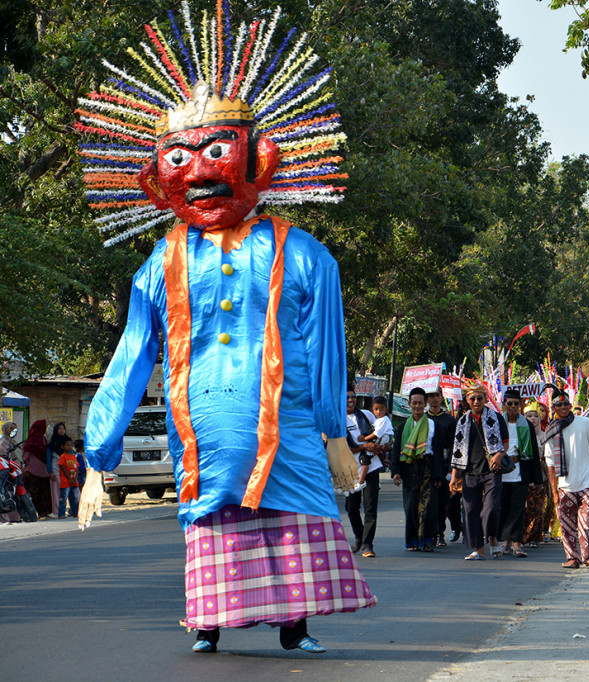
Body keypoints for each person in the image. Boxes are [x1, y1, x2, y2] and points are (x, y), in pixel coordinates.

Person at [77, 6, 374, 655]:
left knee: (292, 524)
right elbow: (131, 358)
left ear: (259, 160)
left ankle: (295, 627)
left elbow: (327, 348)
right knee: (211, 522)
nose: (200, 173)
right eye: (180, 159)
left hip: (289, 428)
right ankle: (208, 623)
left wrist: (334, 433)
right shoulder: (162, 265)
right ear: (157, 180)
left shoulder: (303, 255)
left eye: (217, 152)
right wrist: (99, 457)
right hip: (203, 434)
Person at [544, 386, 589, 569]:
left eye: (566, 404)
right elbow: (550, 463)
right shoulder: (551, 430)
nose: (563, 407)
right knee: (567, 525)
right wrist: (554, 491)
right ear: (553, 408)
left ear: (570, 405)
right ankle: (572, 558)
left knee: (588, 521)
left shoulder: (585, 423)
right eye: (558, 405)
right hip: (564, 485)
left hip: (586, 481)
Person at [451, 382, 508, 560]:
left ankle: (492, 538)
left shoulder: (496, 418)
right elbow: (457, 450)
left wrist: (498, 455)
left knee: (491, 509)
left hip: (492, 471)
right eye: (472, 398)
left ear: (485, 399)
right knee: (470, 511)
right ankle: (479, 548)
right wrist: (454, 476)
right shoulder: (462, 421)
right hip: (469, 472)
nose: (476, 401)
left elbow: (505, 443)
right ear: (467, 400)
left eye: (479, 398)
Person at [391, 387, 443, 551]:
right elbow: (396, 450)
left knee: (428, 506)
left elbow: (438, 452)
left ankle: (427, 541)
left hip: (428, 467)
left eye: (420, 403)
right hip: (409, 468)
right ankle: (412, 541)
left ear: (425, 404)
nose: (417, 406)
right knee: (411, 505)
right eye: (414, 403)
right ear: (409, 404)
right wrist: (396, 472)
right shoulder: (402, 427)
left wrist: (438, 475)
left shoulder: (434, 425)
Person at [500, 389, 542, 558]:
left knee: (518, 508)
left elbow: (534, 452)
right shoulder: (498, 423)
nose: (513, 406)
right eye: (509, 403)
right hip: (501, 472)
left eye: (516, 403)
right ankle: (505, 541)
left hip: (520, 471)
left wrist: (536, 478)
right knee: (503, 506)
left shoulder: (527, 425)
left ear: (520, 405)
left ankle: (517, 542)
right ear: (504, 404)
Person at [346, 389, 384, 558]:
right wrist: (364, 446)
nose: (350, 400)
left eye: (353, 396)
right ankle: (359, 536)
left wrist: (380, 446)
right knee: (351, 507)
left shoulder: (367, 415)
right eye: (346, 397)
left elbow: (381, 431)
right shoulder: (337, 419)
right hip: (350, 469)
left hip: (371, 467)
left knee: (370, 508)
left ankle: (368, 544)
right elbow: (341, 446)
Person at [425, 388, 457, 546]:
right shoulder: (423, 419)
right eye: (431, 396)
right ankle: (430, 533)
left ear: (441, 397)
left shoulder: (449, 420)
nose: (434, 399)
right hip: (427, 464)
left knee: (444, 501)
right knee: (429, 501)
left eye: (437, 395)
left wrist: (452, 468)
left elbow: (454, 445)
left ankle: (440, 532)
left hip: (444, 463)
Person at [521, 401, 550, 547]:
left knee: (538, 507)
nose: (533, 419)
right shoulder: (521, 434)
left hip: (540, 474)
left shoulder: (545, 436)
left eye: (535, 415)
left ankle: (534, 536)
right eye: (529, 416)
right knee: (523, 507)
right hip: (523, 474)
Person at [354, 397, 393, 493]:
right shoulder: (376, 420)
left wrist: (364, 439)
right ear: (372, 410)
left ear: (386, 410)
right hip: (379, 441)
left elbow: (376, 434)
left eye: (381, 409)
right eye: (376, 409)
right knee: (370, 458)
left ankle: (361, 481)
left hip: (383, 440)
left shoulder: (384, 420)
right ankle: (375, 482)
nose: (379, 412)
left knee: (365, 460)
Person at [21, 420, 52, 520]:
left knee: (33, 493)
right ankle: (44, 512)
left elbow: (25, 456)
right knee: (44, 493)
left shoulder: (30, 440)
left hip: (32, 471)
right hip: (44, 472)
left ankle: (34, 511)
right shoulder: (44, 440)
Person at [57, 439, 81, 519]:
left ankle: (75, 513)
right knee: (63, 498)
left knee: (75, 498)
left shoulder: (73, 456)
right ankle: (61, 514)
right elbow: (63, 468)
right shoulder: (63, 456)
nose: (69, 447)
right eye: (67, 445)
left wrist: (76, 477)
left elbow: (77, 467)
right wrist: (69, 478)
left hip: (74, 481)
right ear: (63, 446)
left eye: (71, 445)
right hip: (66, 482)